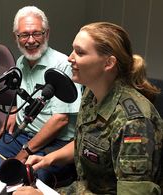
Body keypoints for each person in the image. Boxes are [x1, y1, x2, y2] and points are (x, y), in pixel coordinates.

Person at [13, 22, 163, 195]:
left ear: (108, 63)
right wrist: (48, 159)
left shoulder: (134, 123)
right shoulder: (91, 94)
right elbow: (86, 143)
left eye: (80, 52)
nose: (70, 58)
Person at [0, 6, 83, 188]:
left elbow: (60, 121)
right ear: (16, 37)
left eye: (36, 34)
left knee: (29, 179)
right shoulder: (21, 62)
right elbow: (23, 93)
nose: (30, 41)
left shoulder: (63, 65)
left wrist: (25, 151)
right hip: (25, 134)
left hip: (57, 142)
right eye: (24, 35)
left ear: (46, 34)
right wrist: (14, 112)